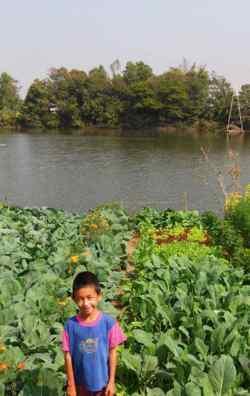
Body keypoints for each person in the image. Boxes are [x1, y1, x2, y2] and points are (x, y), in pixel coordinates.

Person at [61, 271, 127, 396]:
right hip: (80, 385)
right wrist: (71, 385)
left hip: (102, 384)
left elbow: (113, 353)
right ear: (74, 299)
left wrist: (112, 382)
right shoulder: (70, 326)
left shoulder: (109, 323)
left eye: (89, 297)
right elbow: (67, 356)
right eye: (80, 299)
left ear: (99, 296)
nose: (85, 303)